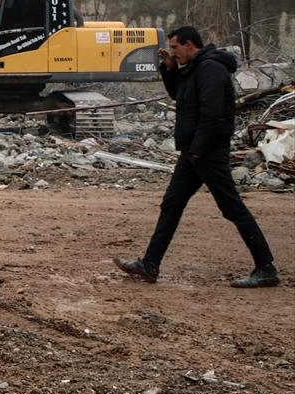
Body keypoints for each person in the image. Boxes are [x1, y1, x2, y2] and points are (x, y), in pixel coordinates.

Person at [115, 26, 279, 288]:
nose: (173, 53)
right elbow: (179, 96)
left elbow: (212, 115)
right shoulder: (194, 68)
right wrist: (170, 68)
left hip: (207, 152)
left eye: (175, 48)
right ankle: (150, 264)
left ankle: (266, 267)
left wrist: (198, 150)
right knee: (172, 204)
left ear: (190, 45)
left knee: (231, 207)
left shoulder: (211, 69)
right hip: (194, 151)